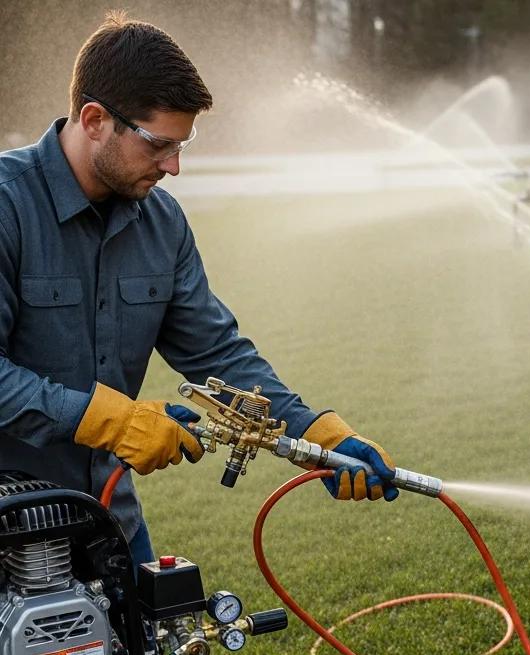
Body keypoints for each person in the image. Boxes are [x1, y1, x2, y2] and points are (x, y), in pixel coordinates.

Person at [0, 12, 398, 568]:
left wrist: (318, 435)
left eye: (183, 145)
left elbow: (215, 353)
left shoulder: (161, 222)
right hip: (9, 527)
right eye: (160, 145)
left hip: (108, 518)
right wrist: (111, 422)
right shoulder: (7, 206)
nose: (175, 166)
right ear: (94, 120)